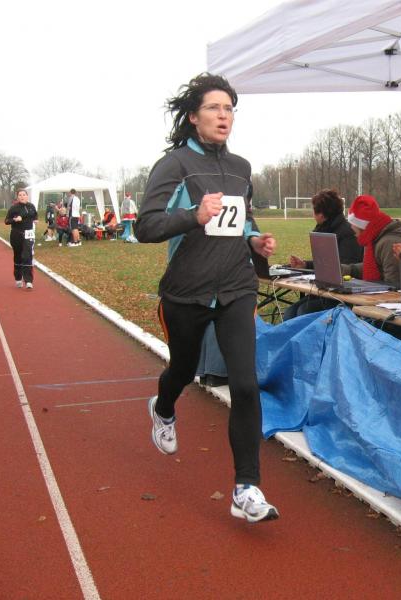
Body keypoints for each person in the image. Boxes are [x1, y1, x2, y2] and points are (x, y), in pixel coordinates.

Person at [136, 73, 279, 523]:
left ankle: (246, 488)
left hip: (236, 287)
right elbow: (145, 227)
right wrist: (193, 216)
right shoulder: (174, 165)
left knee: (245, 384)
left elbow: (243, 220)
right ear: (194, 117)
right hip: (187, 292)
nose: (223, 116)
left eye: (229, 108)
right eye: (214, 108)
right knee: (182, 368)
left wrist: (255, 240)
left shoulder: (241, 167)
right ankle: (162, 408)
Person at [284, 188, 363, 319]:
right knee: (291, 312)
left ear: (321, 215)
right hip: (324, 291)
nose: (313, 215)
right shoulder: (325, 229)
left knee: (303, 312)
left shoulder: (347, 233)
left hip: (342, 295)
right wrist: (305, 264)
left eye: (314, 211)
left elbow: (346, 267)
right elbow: (325, 264)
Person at [341, 194, 401, 287]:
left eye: (352, 224)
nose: (351, 228)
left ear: (362, 226)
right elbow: (374, 266)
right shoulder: (374, 237)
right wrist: (346, 270)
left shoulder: (389, 243)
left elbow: (393, 285)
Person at [4, 189, 39, 290]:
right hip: (16, 234)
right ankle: (18, 278)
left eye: (24, 195)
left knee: (27, 256)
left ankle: (28, 281)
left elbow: (35, 214)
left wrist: (35, 219)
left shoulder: (31, 206)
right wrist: (14, 219)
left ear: (27, 196)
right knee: (18, 256)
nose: (22, 196)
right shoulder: (14, 208)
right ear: (17, 197)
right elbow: (6, 221)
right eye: (20, 195)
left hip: (28, 234)